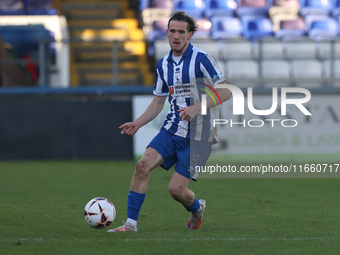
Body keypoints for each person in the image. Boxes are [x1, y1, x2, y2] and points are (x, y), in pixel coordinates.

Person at [108, 11, 231, 232]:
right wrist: (137, 123)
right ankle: (130, 224)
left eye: (181, 32)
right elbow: (157, 103)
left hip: (199, 136)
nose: (176, 36)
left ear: (190, 35)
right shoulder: (162, 64)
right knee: (142, 166)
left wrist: (196, 107)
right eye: (172, 31)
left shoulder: (201, 59)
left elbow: (226, 91)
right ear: (166, 33)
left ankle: (196, 209)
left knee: (176, 191)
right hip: (172, 129)